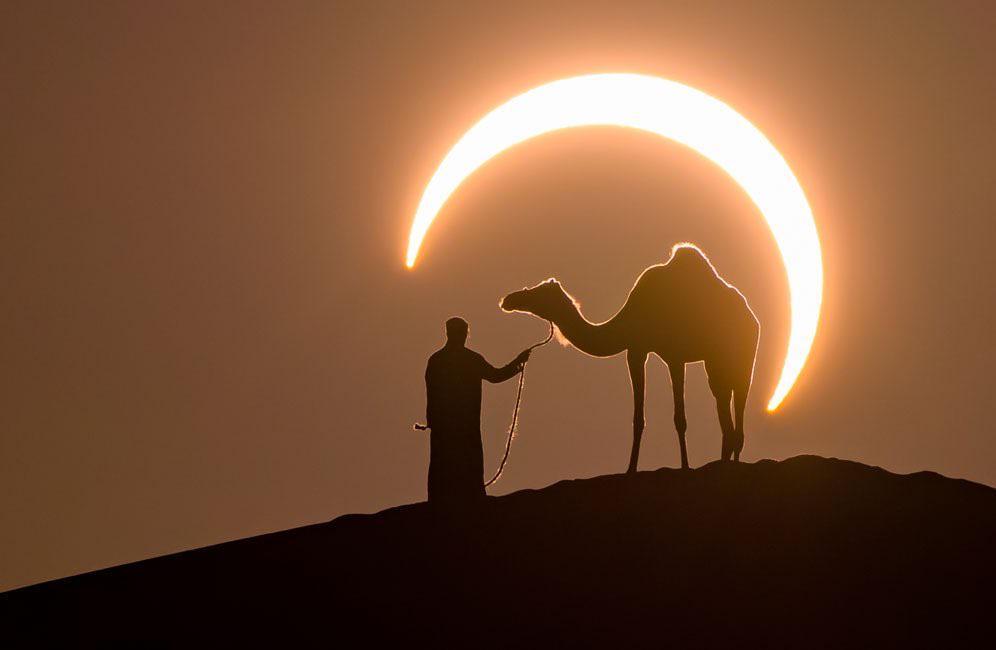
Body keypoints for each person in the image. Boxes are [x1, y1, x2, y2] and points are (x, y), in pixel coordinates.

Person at [423, 317, 531, 505]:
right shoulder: (469, 360)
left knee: (443, 463)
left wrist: (432, 419)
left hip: (444, 425)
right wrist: (518, 362)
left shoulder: (437, 360)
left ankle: (442, 502)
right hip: (464, 425)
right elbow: (496, 376)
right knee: (464, 461)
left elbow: (431, 391)